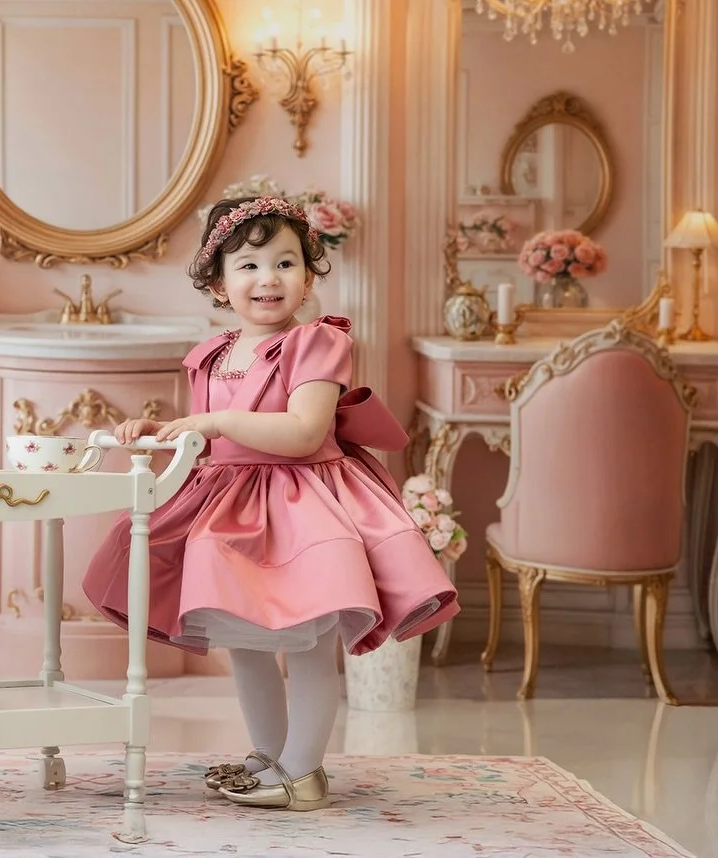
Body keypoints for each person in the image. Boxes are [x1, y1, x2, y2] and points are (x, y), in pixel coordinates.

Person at [81, 196, 460, 811]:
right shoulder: (213, 353)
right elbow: (215, 440)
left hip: (301, 506)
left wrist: (212, 421)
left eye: (286, 263)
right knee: (247, 643)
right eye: (249, 266)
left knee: (308, 643)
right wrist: (168, 431)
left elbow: (305, 432)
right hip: (231, 509)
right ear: (218, 283)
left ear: (308, 277)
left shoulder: (316, 342)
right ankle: (271, 755)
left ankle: (304, 771)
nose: (269, 278)